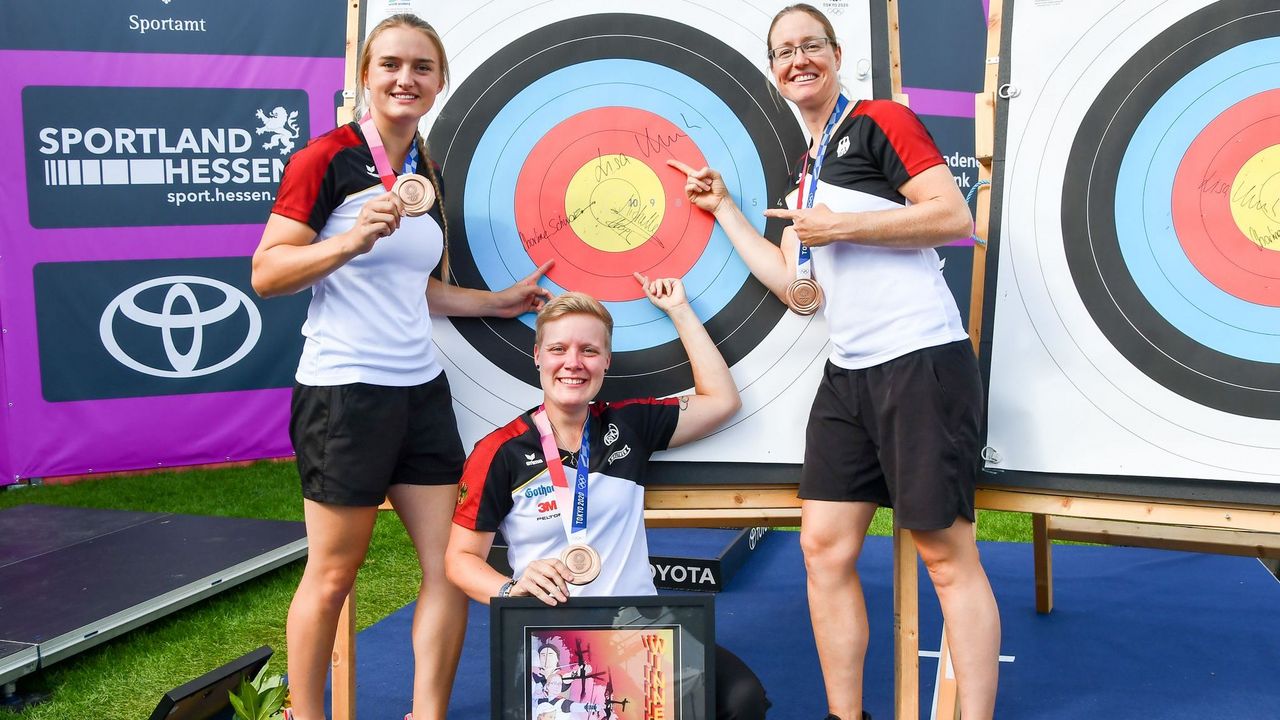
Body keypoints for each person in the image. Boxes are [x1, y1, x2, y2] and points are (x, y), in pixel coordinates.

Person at [667, 4, 1000, 720]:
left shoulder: (880, 120)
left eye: (808, 45)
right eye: (782, 52)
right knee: (822, 548)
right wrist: (726, 209)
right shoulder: (806, 167)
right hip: (849, 373)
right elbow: (799, 289)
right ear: (774, 71)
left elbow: (953, 219)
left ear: (836, 52)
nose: (797, 60)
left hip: (920, 362)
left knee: (945, 557)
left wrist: (840, 224)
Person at [251, 13, 552, 720]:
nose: (404, 79)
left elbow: (415, 287)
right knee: (332, 575)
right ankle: (309, 715)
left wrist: (498, 302)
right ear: (365, 77)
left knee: (451, 566)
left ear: (439, 82)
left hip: (420, 391)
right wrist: (349, 241)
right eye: (390, 65)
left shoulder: (427, 168)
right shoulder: (325, 159)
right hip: (344, 393)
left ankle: (427, 713)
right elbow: (268, 273)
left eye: (420, 67)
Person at [446, 282, 770, 720]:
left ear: (606, 361)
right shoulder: (499, 451)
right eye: (559, 349)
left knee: (741, 698)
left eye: (589, 351)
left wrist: (678, 308)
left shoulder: (629, 425)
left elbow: (721, 400)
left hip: (640, 624)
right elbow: (460, 559)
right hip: (554, 636)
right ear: (538, 355)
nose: (573, 363)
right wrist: (509, 590)